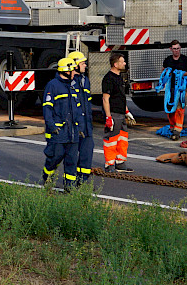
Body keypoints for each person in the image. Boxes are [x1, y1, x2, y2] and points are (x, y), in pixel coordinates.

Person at [41, 57, 85, 191]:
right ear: (65, 71)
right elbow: (47, 108)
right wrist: (52, 126)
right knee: (55, 156)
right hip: (59, 132)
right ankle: (47, 177)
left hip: (72, 132)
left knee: (71, 160)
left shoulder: (73, 85)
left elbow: (77, 108)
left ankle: (70, 187)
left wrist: (81, 127)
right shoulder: (53, 85)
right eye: (72, 70)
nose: (74, 73)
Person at [101, 52, 133, 172]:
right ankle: (109, 164)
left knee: (122, 138)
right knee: (111, 139)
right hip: (113, 113)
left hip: (121, 113)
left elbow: (121, 96)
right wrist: (108, 117)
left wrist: (127, 111)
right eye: (122, 61)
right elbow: (105, 99)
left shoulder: (119, 77)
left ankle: (120, 163)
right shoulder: (108, 79)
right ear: (115, 64)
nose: (124, 63)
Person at [67, 50, 95, 185]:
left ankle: (83, 184)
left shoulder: (85, 80)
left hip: (86, 126)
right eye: (83, 63)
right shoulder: (66, 83)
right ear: (74, 65)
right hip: (73, 127)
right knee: (71, 157)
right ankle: (70, 185)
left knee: (86, 156)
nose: (85, 65)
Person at [161, 40, 187, 140]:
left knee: (180, 108)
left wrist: (182, 74)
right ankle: (172, 127)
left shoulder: (185, 59)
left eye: (178, 48)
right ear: (171, 49)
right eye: (174, 49)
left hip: (181, 88)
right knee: (170, 108)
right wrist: (167, 74)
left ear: (180, 49)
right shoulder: (168, 60)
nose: (176, 51)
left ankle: (178, 129)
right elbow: (163, 71)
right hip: (170, 87)